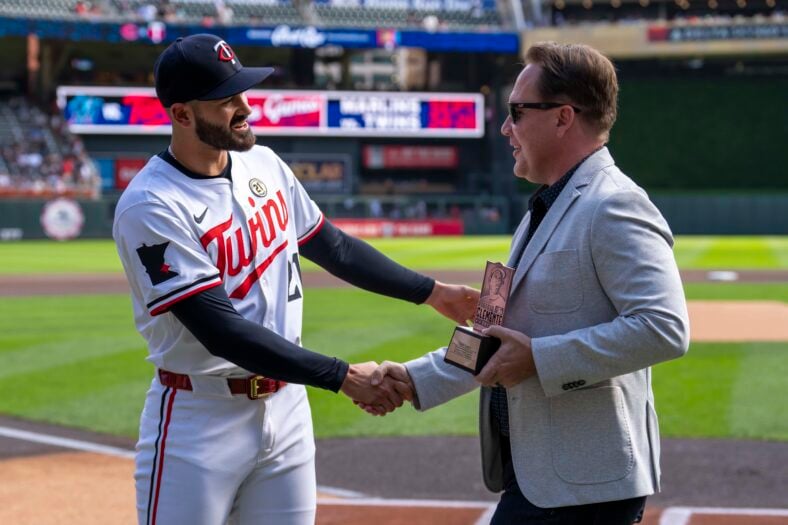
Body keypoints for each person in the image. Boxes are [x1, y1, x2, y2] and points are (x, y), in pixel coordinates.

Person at [112, 33, 479, 525]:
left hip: (287, 412)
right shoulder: (152, 205)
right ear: (181, 114)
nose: (245, 107)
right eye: (227, 101)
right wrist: (343, 376)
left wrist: (434, 293)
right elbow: (223, 332)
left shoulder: (264, 163)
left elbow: (334, 247)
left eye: (244, 91)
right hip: (199, 421)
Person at [367, 42, 690, 524]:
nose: (504, 128)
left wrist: (538, 360)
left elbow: (664, 328)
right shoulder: (539, 212)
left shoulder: (615, 204)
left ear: (563, 117)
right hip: (538, 477)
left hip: (586, 491)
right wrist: (414, 379)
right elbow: (490, 334)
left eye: (516, 112)